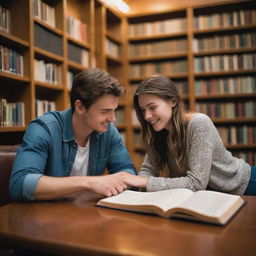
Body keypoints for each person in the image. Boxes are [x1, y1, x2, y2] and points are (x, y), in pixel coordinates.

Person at [9, 68, 137, 201]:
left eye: (114, 110)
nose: (112, 119)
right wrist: (88, 183)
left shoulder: (109, 132)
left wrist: (119, 180)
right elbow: (20, 184)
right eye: (105, 111)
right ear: (80, 107)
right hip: (47, 214)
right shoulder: (44, 128)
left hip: (86, 213)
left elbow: (127, 170)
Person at [129, 74, 256, 195]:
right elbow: (147, 170)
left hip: (244, 186)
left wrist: (146, 182)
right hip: (211, 197)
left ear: (173, 101)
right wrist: (140, 184)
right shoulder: (158, 130)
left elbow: (196, 183)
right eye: (142, 110)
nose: (147, 116)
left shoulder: (199, 123)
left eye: (152, 107)